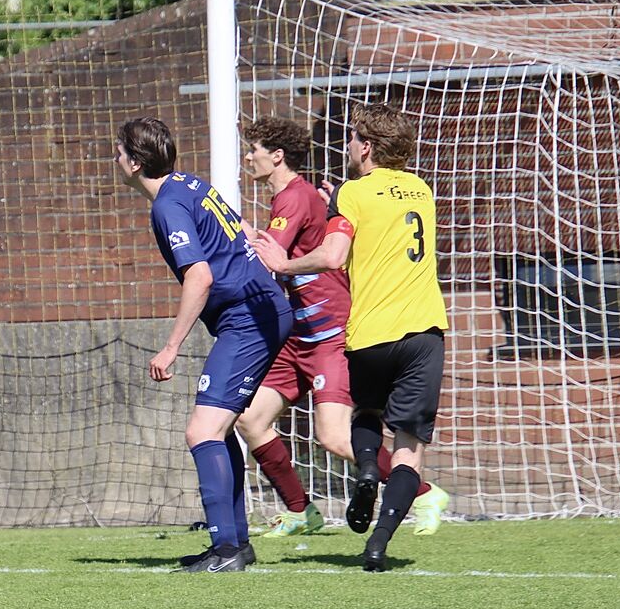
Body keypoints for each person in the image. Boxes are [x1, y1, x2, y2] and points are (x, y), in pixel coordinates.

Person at [255, 103, 449, 572]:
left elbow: (333, 255)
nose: (347, 146)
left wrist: (284, 263)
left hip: (367, 333)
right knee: (407, 448)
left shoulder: (352, 192)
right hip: (425, 331)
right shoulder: (422, 189)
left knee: (362, 419)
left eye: (352, 138)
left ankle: (365, 471)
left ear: (366, 147)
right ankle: (378, 541)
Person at [115, 115, 292, 573]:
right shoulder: (190, 185)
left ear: (135, 163)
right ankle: (235, 544)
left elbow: (200, 275)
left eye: (120, 152)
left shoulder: (167, 206)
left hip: (249, 320)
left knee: (201, 432)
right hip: (258, 312)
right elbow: (239, 232)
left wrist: (171, 347)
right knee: (219, 428)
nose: (116, 159)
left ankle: (226, 550)